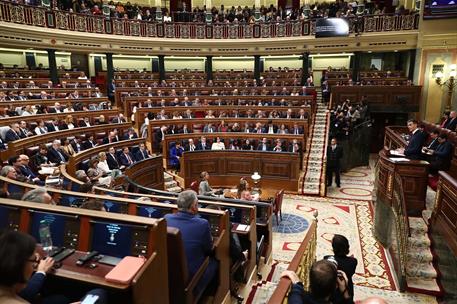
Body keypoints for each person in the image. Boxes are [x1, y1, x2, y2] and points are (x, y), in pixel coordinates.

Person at [164, 191, 218, 297]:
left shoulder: (166, 218)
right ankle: (209, 297)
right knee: (216, 260)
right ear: (194, 206)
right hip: (191, 277)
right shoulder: (202, 224)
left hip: (169, 273)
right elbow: (209, 249)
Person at [281, 259, 352, 304]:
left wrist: (297, 284)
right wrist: (345, 293)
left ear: (310, 282)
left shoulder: (301, 296)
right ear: (335, 286)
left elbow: (295, 298)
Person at [324, 235, 357, 302]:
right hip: (347, 288)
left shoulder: (327, 259)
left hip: (332, 290)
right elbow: (352, 272)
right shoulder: (353, 261)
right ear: (347, 246)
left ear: (333, 248)